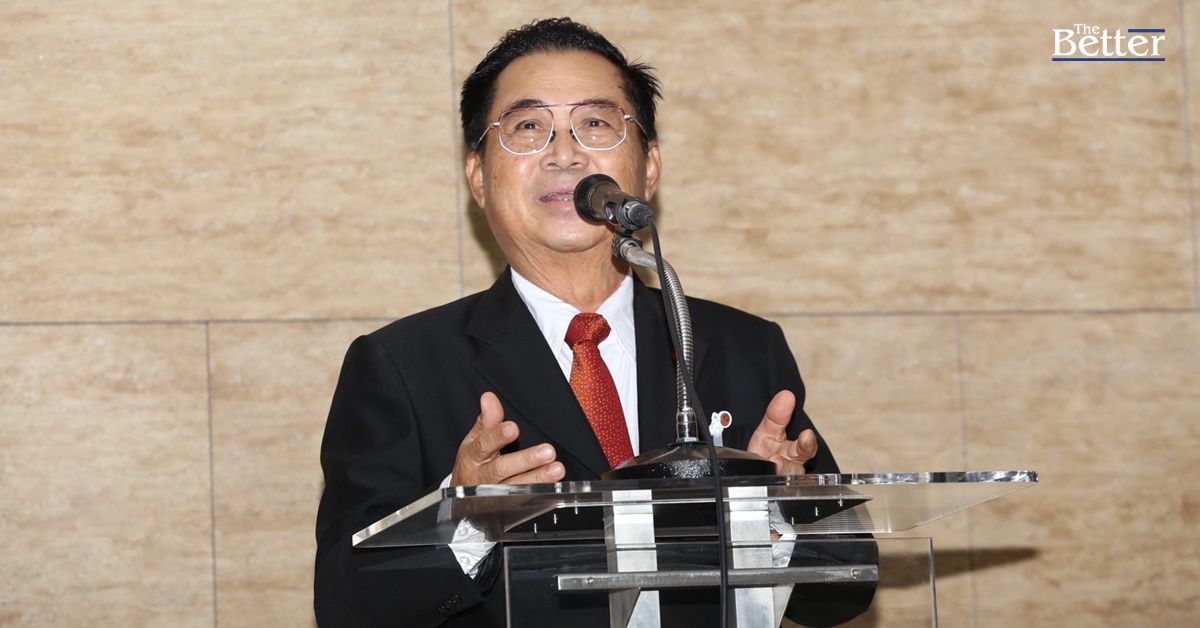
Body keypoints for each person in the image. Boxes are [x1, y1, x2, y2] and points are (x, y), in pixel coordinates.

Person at [315, 17, 871, 627]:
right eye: (528, 127)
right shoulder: (402, 367)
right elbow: (345, 605)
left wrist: (774, 513)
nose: (564, 153)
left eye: (596, 124)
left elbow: (848, 584)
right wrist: (466, 519)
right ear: (478, 177)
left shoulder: (742, 347)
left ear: (649, 167)